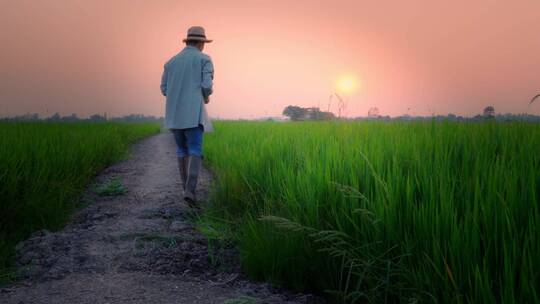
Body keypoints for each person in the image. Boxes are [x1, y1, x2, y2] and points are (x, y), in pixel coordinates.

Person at [160, 26, 214, 207]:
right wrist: (204, 97)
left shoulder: (170, 62)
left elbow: (164, 89)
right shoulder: (204, 59)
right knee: (195, 149)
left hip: (175, 115)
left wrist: (178, 95)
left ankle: (186, 190)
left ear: (187, 41)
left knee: (182, 150)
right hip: (193, 113)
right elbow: (206, 85)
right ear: (201, 43)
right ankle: (190, 191)